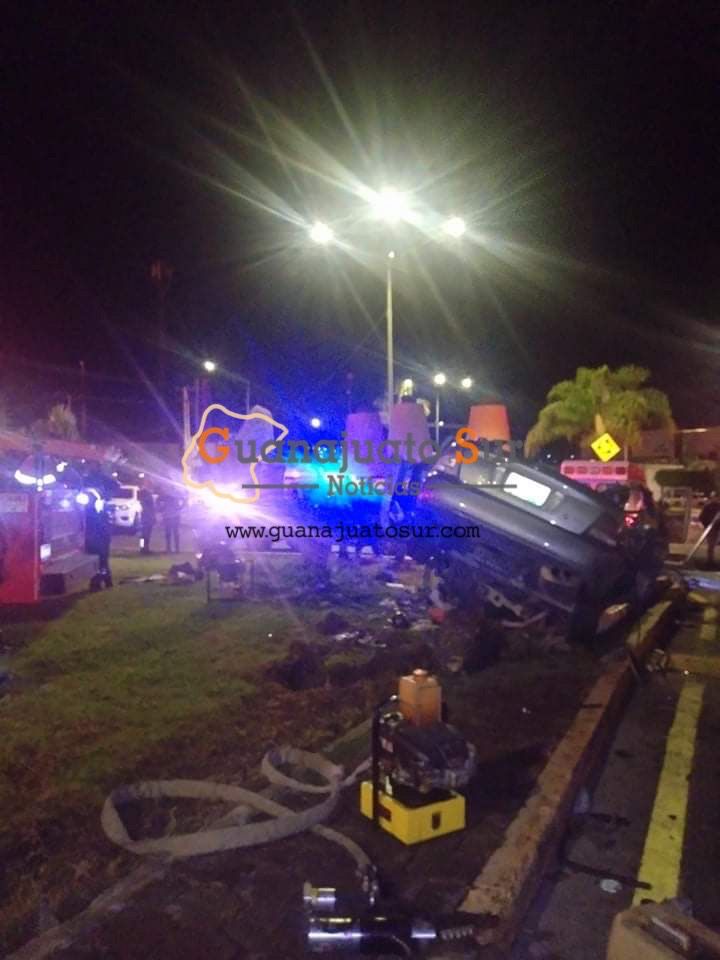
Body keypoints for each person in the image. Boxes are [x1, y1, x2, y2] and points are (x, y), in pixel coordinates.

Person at [85, 489, 113, 588]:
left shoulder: (95, 513)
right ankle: (105, 580)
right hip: (99, 541)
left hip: (99, 541)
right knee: (102, 562)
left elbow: (101, 527)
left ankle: (99, 582)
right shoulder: (96, 512)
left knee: (100, 562)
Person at [157, 486, 185, 554]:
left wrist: (161, 509)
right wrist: (180, 507)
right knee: (173, 533)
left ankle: (171, 549)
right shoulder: (172, 495)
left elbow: (158, 502)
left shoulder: (167, 495)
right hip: (172, 516)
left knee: (170, 533)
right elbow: (184, 500)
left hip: (170, 516)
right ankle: (174, 549)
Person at [699, 492, 720, 567]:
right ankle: (710, 560)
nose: (716, 499)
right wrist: (707, 525)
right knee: (711, 545)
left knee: (713, 545)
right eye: (714, 497)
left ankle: (711, 560)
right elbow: (701, 517)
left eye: (717, 497)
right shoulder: (707, 506)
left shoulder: (718, 506)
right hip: (711, 528)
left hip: (717, 528)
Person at [137, 482, 156, 554]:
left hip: (145, 517)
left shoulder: (143, 495)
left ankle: (143, 548)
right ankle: (144, 548)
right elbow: (151, 508)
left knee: (144, 535)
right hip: (147, 518)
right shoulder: (147, 496)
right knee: (146, 535)